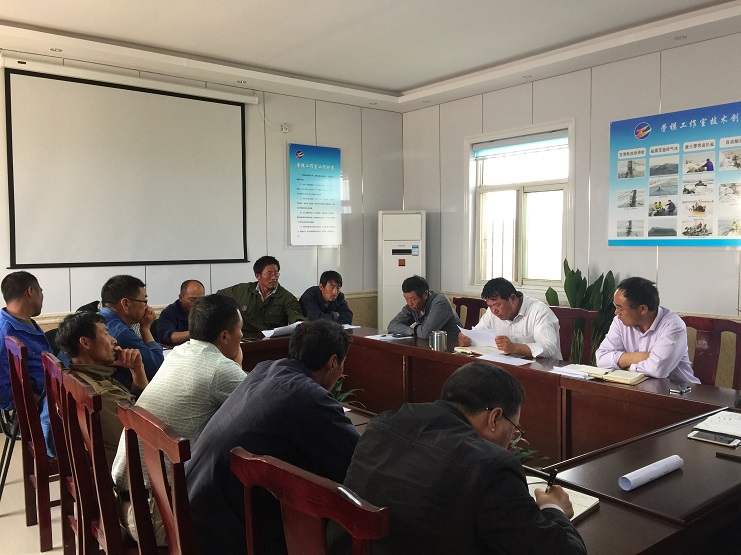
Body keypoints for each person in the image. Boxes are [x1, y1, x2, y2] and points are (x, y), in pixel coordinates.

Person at [337, 362, 586, 554]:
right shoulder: (491, 466)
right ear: (494, 418)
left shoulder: (382, 424)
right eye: (514, 430)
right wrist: (554, 508)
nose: (512, 440)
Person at [186, 319, 359, 554]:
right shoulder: (307, 395)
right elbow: (356, 460)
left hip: (193, 505)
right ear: (333, 362)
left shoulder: (264, 368)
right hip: (222, 531)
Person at [111, 294, 247, 545]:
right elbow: (260, 407)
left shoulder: (179, 352)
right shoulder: (220, 368)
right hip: (156, 516)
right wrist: (236, 365)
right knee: (255, 520)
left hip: (125, 504)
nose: (242, 336)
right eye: (240, 330)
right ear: (225, 336)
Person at [55, 311, 148, 470]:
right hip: (130, 471)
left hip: (113, 459)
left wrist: (137, 369)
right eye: (105, 333)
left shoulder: (79, 377)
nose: (114, 340)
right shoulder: (102, 394)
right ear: (85, 343)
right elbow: (145, 435)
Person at [596, 277, 698, 383]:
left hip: (677, 389)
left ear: (643, 309)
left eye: (620, 308)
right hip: (637, 388)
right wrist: (640, 357)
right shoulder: (619, 321)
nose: (616, 312)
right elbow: (601, 359)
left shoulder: (673, 326)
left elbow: (657, 370)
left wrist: (626, 368)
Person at [0, 271, 54, 456]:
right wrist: (33, 400)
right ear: (31, 291)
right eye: (41, 291)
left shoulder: (24, 322)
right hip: (40, 405)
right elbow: (2, 390)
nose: (42, 297)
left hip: (49, 391)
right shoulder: (5, 332)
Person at [458, 278, 561, 359]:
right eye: (489, 306)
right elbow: (477, 333)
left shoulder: (539, 311)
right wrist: (467, 339)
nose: (494, 311)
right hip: (507, 365)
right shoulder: (492, 311)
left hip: (543, 370)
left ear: (513, 298)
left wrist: (514, 347)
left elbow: (549, 348)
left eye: (497, 305)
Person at [98, 275, 163, 388]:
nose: (148, 308)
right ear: (125, 304)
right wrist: (145, 328)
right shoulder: (120, 333)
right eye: (144, 301)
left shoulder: (99, 318)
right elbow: (157, 368)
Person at [217, 255, 304, 333]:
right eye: (269, 274)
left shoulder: (287, 298)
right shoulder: (242, 291)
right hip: (244, 339)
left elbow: (296, 319)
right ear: (257, 276)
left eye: (276, 273)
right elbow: (218, 297)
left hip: (272, 341)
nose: (274, 278)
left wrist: (301, 324)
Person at [387, 275, 461, 341]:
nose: (409, 303)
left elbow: (426, 334)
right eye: (406, 298)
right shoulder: (411, 306)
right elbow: (392, 325)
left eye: (413, 299)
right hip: (428, 346)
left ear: (425, 294)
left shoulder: (440, 302)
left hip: (452, 347)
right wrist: (413, 331)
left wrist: (414, 328)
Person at [156, 279, 206, 345]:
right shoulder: (169, 313)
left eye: (201, 299)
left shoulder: (208, 310)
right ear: (180, 297)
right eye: (192, 300)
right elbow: (168, 337)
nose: (197, 303)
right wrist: (195, 333)